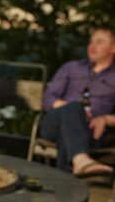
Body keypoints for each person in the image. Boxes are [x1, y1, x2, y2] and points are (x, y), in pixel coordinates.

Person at [40, 27, 115, 176]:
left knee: (67, 132)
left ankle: (67, 182)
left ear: (113, 48)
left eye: (99, 42)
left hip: (91, 132)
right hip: (53, 122)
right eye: (91, 41)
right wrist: (74, 112)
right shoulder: (71, 68)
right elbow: (48, 99)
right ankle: (80, 159)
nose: (92, 46)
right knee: (74, 108)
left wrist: (106, 119)